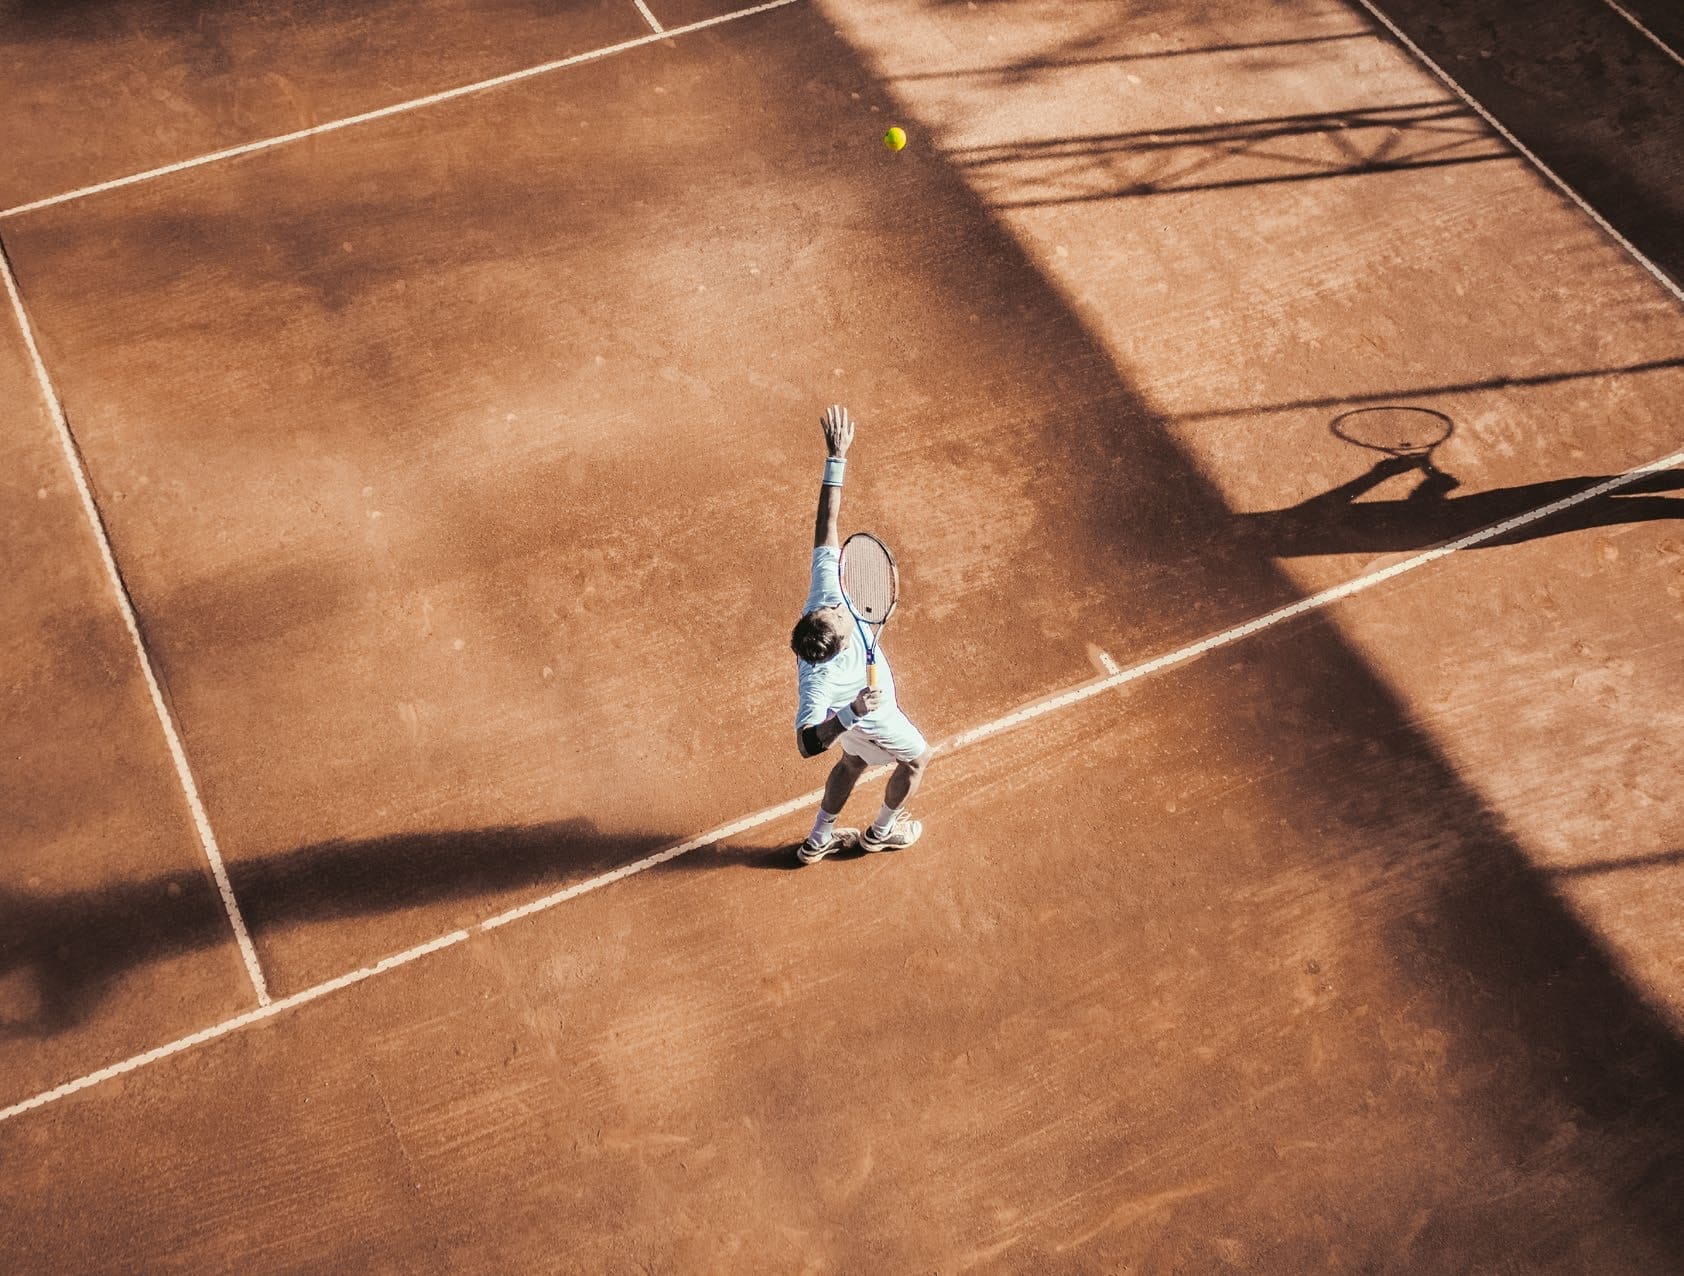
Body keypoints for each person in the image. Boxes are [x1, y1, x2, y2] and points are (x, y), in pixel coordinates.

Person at [789, 405, 932, 865]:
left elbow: (825, 526)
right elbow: (808, 743)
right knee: (916, 759)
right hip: (871, 716)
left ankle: (817, 840)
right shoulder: (819, 681)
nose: (842, 607)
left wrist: (837, 457)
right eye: (841, 618)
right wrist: (852, 713)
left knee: (852, 762)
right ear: (840, 646)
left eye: (833, 608)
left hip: (855, 719)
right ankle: (881, 833)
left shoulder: (824, 598)